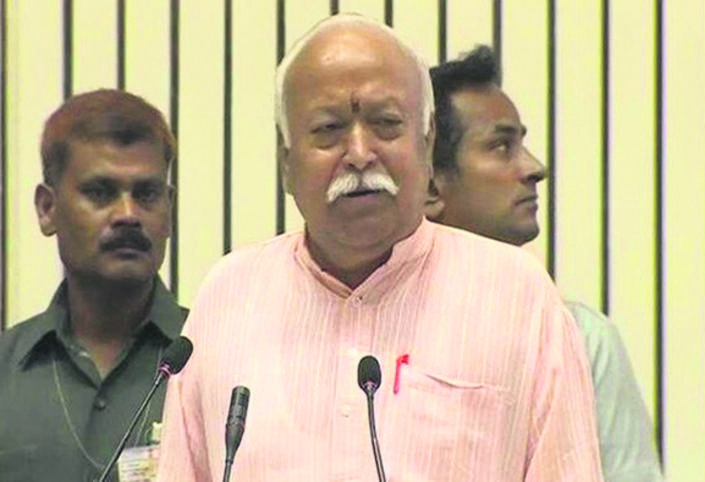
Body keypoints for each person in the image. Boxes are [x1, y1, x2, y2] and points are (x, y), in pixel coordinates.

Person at [158, 13, 603, 481]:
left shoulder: (517, 296)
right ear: (286, 161)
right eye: (328, 129)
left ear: (427, 143)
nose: (359, 154)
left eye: (386, 124)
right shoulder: (229, 296)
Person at [426, 45, 665, 482]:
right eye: (501, 146)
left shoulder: (579, 339)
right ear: (429, 186)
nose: (535, 168)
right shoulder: (370, 342)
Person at [0, 89, 187, 482]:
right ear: (47, 208)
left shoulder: (216, 362)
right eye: (100, 193)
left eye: (147, 194)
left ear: (168, 210)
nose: (128, 214)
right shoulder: (6, 371)